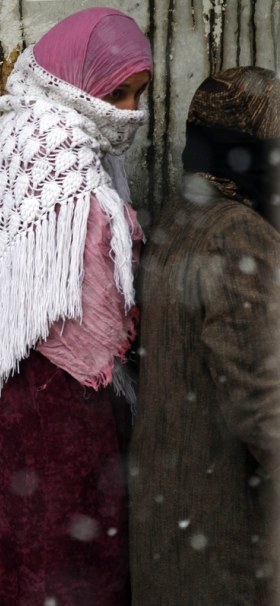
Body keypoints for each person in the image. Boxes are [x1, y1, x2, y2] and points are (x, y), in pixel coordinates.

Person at [0, 7, 152, 605]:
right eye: (116, 92)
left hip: (68, 403)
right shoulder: (48, 143)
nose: (127, 111)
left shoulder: (77, 143)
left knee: (61, 565)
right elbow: (81, 282)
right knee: (57, 568)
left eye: (137, 94)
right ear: (78, 81)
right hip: (48, 397)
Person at [128, 67, 280, 605]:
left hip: (172, 519)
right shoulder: (241, 235)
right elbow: (260, 399)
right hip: (227, 531)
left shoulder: (178, 216)